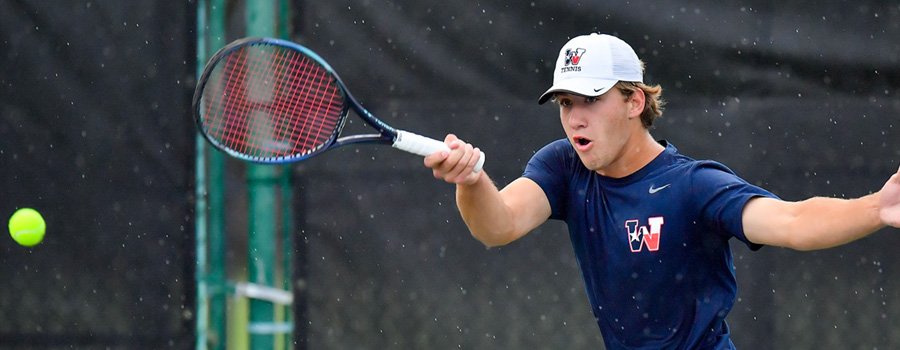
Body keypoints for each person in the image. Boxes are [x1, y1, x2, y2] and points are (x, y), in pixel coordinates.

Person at [423, 32, 900, 349]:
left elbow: (793, 222)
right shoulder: (563, 166)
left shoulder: (693, 185)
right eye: (566, 103)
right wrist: (471, 181)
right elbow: (498, 225)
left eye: (590, 99)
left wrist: (879, 206)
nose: (574, 118)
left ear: (634, 101)